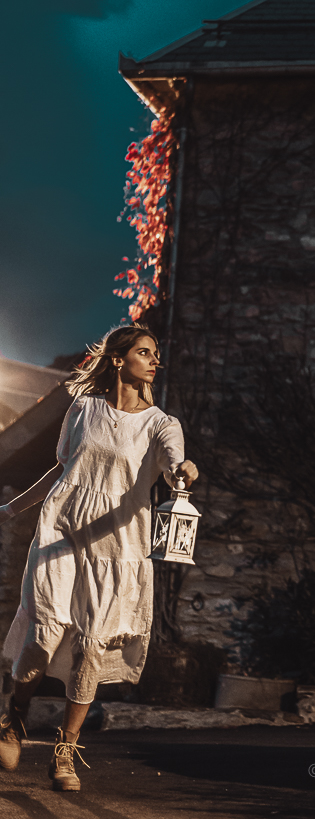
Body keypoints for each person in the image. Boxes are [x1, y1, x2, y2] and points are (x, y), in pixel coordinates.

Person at [0, 323, 197, 791]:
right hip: (62, 529)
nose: (155, 360)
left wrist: (183, 471)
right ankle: (14, 718)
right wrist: (10, 509)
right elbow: (62, 470)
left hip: (119, 545)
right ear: (117, 359)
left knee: (91, 646)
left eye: (156, 353)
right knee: (44, 632)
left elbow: (174, 464)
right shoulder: (84, 406)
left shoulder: (162, 424)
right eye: (145, 352)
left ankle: (65, 751)